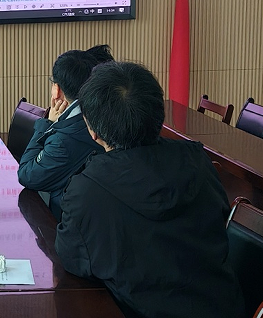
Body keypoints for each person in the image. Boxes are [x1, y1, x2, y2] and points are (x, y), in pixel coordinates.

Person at [55, 61, 244, 318]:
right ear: (158, 114)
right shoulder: (199, 161)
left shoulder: (86, 189)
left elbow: (73, 258)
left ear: (92, 130)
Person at [18, 44, 113, 219]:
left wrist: (47, 124)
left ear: (57, 90)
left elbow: (26, 174)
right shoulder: (103, 114)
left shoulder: (67, 136)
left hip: (64, 221)